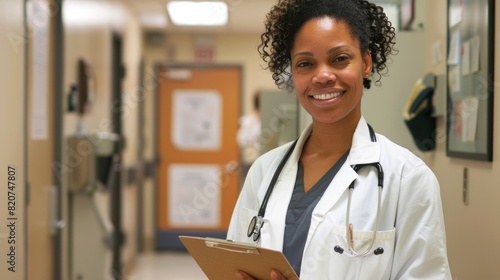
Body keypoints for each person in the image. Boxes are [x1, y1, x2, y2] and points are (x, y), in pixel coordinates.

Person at [227, 0, 452, 279]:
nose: (322, 75)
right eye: (305, 63)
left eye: (339, 58)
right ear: (293, 74)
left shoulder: (409, 177)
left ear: (366, 63)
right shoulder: (264, 171)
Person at [237, 91, 262, 185]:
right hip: (248, 162)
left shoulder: (270, 120)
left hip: (264, 160)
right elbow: (241, 140)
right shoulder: (247, 121)